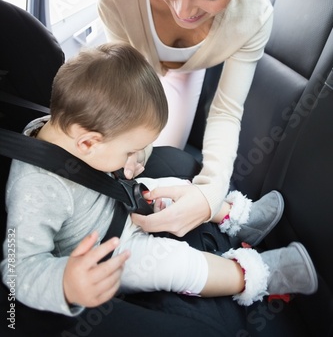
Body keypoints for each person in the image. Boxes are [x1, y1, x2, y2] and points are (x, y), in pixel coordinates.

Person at [1, 43, 317, 317]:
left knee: (172, 188)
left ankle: (239, 219)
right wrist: (67, 283)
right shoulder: (34, 191)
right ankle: (259, 275)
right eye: (130, 151)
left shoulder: (67, 130)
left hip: (118, 200)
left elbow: (101, 164)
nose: (134, 157)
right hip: (112, 250)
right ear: (88, 143)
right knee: (175, 264)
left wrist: (126, 163)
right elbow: (17, 271)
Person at [97, 0, 276, 237]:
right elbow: (132, 91)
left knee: (173, 167)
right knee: (140, 159)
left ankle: (233, 215)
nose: (182, 9)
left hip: (191, 73)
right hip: (141, 80)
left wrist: (211, 192)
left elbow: (227, 110)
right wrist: (133, 148)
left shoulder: (254, 16)